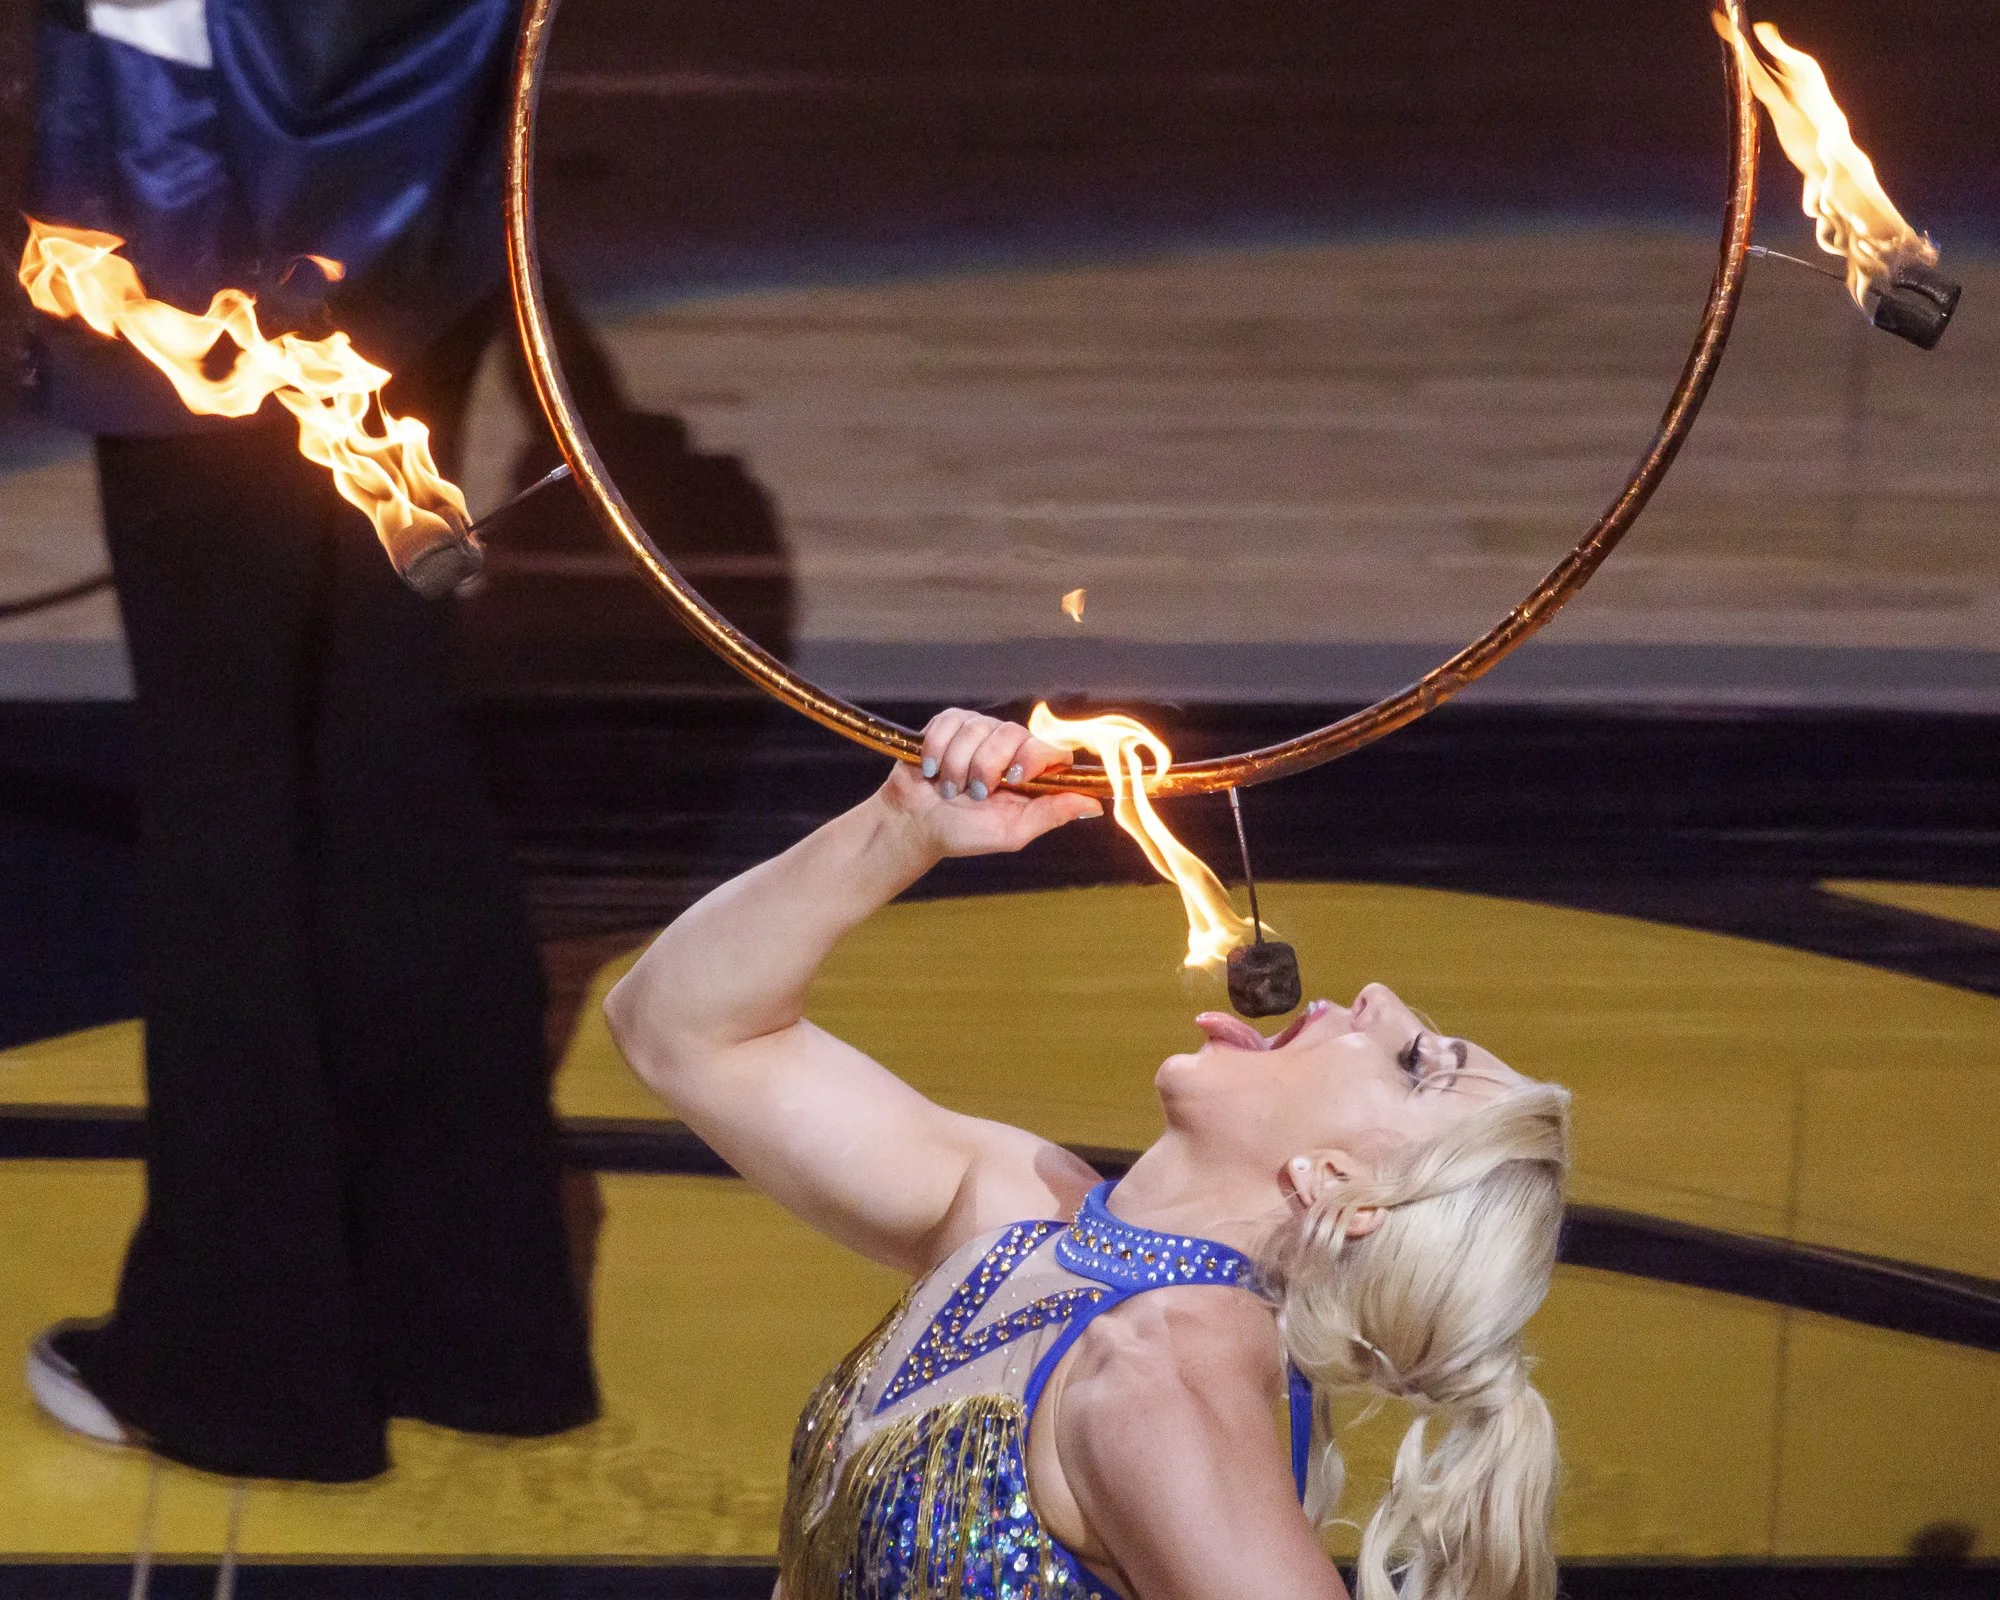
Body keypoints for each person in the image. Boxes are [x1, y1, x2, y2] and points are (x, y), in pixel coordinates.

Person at [606, 709, 1571, 1600]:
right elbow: (680, 1028)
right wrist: (900, 828)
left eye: (1415, 1067)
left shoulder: (1159, 1377)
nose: (1378, 999)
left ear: (1346, 1189)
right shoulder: (1021, 1212)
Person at [22, 0, 597, 1481]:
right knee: (383, 741)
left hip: (198, 220)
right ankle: (481, 1332)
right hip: (426, 203)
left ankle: (242, 1366)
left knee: (230, 790)